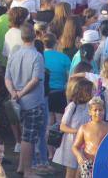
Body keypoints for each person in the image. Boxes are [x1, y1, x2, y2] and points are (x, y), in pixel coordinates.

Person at [5, 23, 45, 178]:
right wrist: (20, 93)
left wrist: (13, 93)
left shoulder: (14, 54)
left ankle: (22, 166)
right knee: (29, 137)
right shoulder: (37, 56)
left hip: (16, 99)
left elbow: (7, 78)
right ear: (34, 36)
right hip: (32, 101)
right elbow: (35, 79)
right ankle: (28, 171)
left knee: (23, 135)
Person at [54, 77, 95, 178]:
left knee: (82, 170)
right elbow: (62, 126)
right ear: (84, 92)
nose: (94, 92)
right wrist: (78, 131)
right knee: (71, 171)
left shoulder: (88, 106)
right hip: (71, 143)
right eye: (91, 90)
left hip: (84, 143)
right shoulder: (72, 106)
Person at [71, 96, 108, 178]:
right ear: (90, 112)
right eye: (95, 110)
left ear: (104, 111)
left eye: (100, 110)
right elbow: (75, 147)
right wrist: (79, 156)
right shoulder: (84, 128)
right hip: (89, 163)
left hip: (105, 162)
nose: (98, 113)